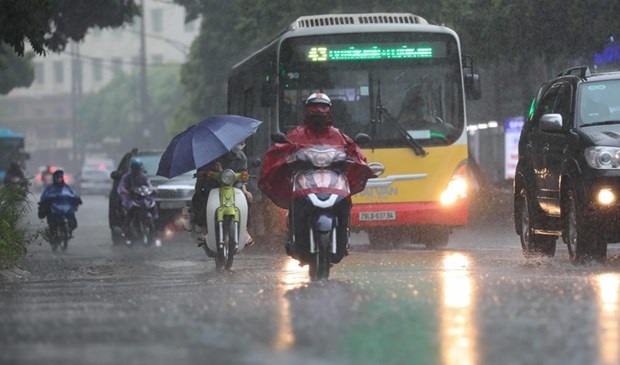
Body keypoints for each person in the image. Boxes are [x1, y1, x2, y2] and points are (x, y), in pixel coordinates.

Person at [258, 92, 375, 263]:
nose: (318, 111)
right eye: (314, 107)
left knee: (344, 204)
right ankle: (296, 238)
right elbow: (280, 151)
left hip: (333, 182)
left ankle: (343, 239)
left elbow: (353, 151)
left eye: (323, 107)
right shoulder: (296, 134)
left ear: (329, 111)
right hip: (305, 183)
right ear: (306, 110)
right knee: (296, 207)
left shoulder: (338, 135)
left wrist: (358, 161)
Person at [191, 141, 254, 246]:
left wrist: (245, 190)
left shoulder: (242, 157)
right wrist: (211, 171)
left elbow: (243, 176)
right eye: (230, 153)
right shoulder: (211, 155)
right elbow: (201, 173)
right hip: (211, 186)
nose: (232, 155)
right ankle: (203, 229)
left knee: (247, 198)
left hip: (233, 187)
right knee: (201, 199)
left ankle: (244, 230)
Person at [38, 170, 82, 237]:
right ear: (54, 178)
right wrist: (44, 202)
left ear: (62, 178)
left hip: (66, 208)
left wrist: (77, 200)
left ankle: (69, 230)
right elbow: (44, 197)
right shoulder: (50, 188)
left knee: (72, 222)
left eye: (60, 177)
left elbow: (73, 194)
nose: (58, 179)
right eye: (57, 177)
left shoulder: (67, 187)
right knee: (50, 218)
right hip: (54, 209)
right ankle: (51, 233)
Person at [117, 158, 159, 229]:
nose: (137, 171)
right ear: (132, 169)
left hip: (142, 197)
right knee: (129, 207)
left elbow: (149, 185)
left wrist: (153, 190)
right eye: (135, 169)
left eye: (138, 169)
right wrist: (125, 191)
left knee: (152, 203)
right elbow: (121, 186)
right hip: (130, 198)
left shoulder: (143, 176)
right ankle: (126, 226)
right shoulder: (126, 177)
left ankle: (154, 222)